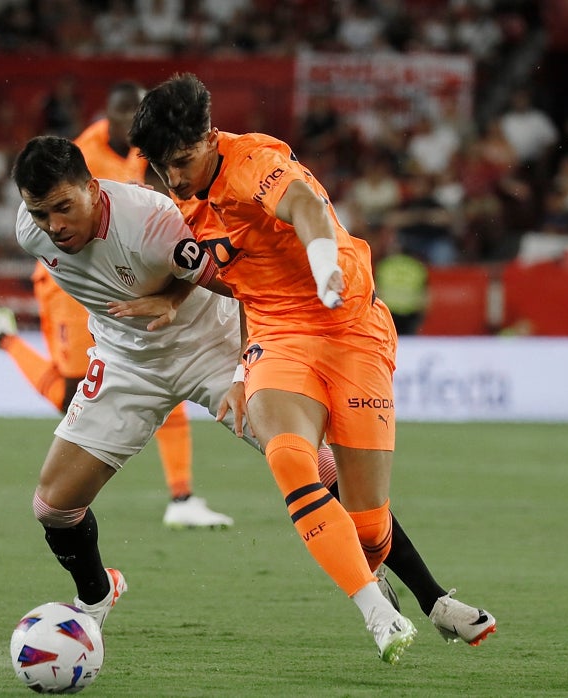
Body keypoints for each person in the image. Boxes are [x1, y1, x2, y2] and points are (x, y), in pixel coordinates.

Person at [9, 137, 494, 655]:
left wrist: (237, 360)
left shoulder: (150, 221)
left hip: (211, 348)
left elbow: (245, 286)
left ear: (92, 188)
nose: (55, 226)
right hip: (128, 361)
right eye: (42, 213)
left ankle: (434, 599)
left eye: (64, 208)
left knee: (320, 471)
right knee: (53, 506)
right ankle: (97, 597)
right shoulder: (29, 231)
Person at [128, 73, 494, 662]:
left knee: (369, 525)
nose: (173, 178)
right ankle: (378, 612)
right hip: (281, 338)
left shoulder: (252, 161)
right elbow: (243, 280)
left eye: (181, 161)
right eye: (160, 166)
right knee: (292, 460)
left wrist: (324, 261)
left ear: (209, 135)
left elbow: (305, 205)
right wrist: (243, 369)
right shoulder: (184, 194)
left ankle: (417, 595)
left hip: (352, 331)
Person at [0, 82, 233, 529]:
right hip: (82, 286)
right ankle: (6, 338)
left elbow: (174, 234)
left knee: (176, 377)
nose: (129, 122)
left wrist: (173, 293)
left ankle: (181, 495)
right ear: (105, 114)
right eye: (121, 112)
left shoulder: (141, 155)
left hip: (145, 280)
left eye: (136, 112)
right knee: (69, 398)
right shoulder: (79, 157)